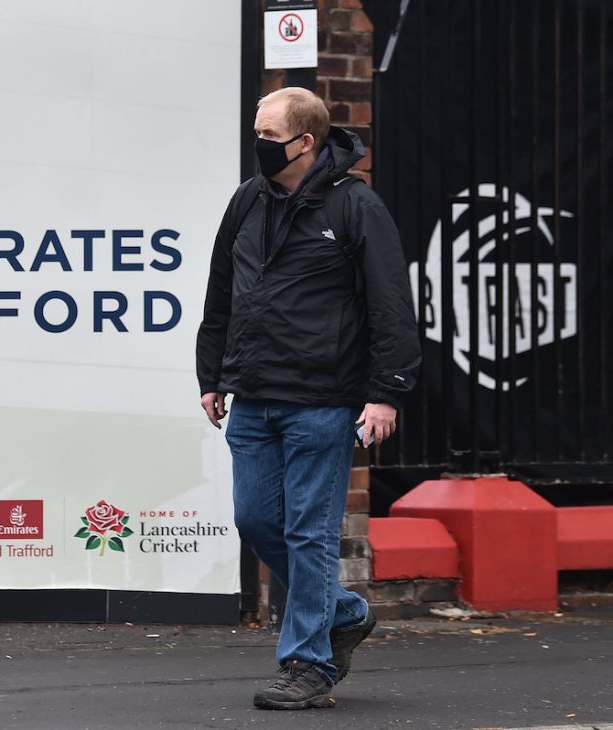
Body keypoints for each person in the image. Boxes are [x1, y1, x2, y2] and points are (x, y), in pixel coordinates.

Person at [196, 87, 420, 710]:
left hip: (322, 400)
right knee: (256, 520)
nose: (259, 145)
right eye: (257, 133)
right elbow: (221, 293)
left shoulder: (356, 208)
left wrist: (386, 393)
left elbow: (391, 306)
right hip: (254, 397)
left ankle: (309, 663)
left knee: (308, 533)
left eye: (269, 136)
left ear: (305, 143)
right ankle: (344, 612)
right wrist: (211, 375)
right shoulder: (247, 200)